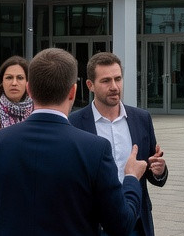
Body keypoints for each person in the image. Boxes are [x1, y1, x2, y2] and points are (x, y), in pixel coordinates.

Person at [0, 48, 145, 236]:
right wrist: (131, 178)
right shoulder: (95, 149)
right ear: (73, 92)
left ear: (29, 89)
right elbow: (121, 225)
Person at [70, 52, 168, 236]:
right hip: (94, 225)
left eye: (118, 79)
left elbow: (151, 168)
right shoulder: (75, 123)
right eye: (106, 81)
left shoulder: (141, 119)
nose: (114, 87)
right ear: (90, 85)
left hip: (136, 223)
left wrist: (159, 170)